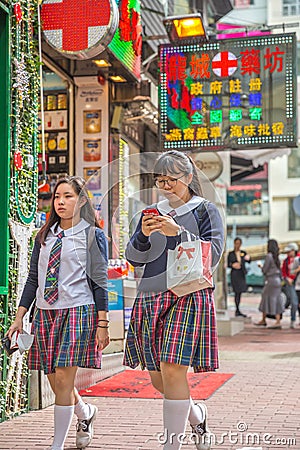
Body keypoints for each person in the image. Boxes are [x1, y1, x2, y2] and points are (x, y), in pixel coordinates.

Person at [124, 150, 224, 450]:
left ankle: (171, 445)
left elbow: (214, 253)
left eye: (172, 180)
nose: (165, 186)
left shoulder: (205, 210)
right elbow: (133, 257)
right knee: (158, 379)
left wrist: (178, 232)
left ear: (189, 178)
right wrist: (142, 235)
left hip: (188, 295)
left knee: (172, 368)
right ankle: (197, 414)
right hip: (152, 295)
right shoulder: (149, 212)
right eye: (160, 180)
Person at [6, 176, 109, 450]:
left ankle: (57, 445)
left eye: (68, 196)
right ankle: (85, 413)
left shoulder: (92, 235)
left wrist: (103, 322)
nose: (61, 202)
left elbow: (100, 281)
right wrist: (20, 316)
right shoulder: (44, 236)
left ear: (82, 200)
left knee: (64, 378)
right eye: (57, 197)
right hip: (45, 313)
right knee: (55, 379)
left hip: (78, 311)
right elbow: (32, 280)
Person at [255, 239, 284, 329]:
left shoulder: (269, 256)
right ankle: (277, 320)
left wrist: (260, 266)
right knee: (277, 300)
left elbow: (265, 270)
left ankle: (264, 319)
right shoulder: (277, 257)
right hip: (277, 281)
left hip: (270, 281)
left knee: (265, 298)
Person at [227, 237, 251, 317]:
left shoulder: (243, 253)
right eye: (236, 243)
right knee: (236, 291)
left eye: (239, 243)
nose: (238, 245)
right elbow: (228, 264)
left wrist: (248, 257)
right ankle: (237, 309)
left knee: (240, 291)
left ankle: (238, 309)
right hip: (235, 274)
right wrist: (233, 265)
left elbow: (248, 260)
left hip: (241, 274)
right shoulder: (231, 254)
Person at [282, 242, 300, 329]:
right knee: (294, 302)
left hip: (298, 282)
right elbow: (284, 272)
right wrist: (287, 278)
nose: (288, 254)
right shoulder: (286, 261)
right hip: (291, 283)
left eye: (290, 252)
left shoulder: (298, 259)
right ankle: (293, 319)